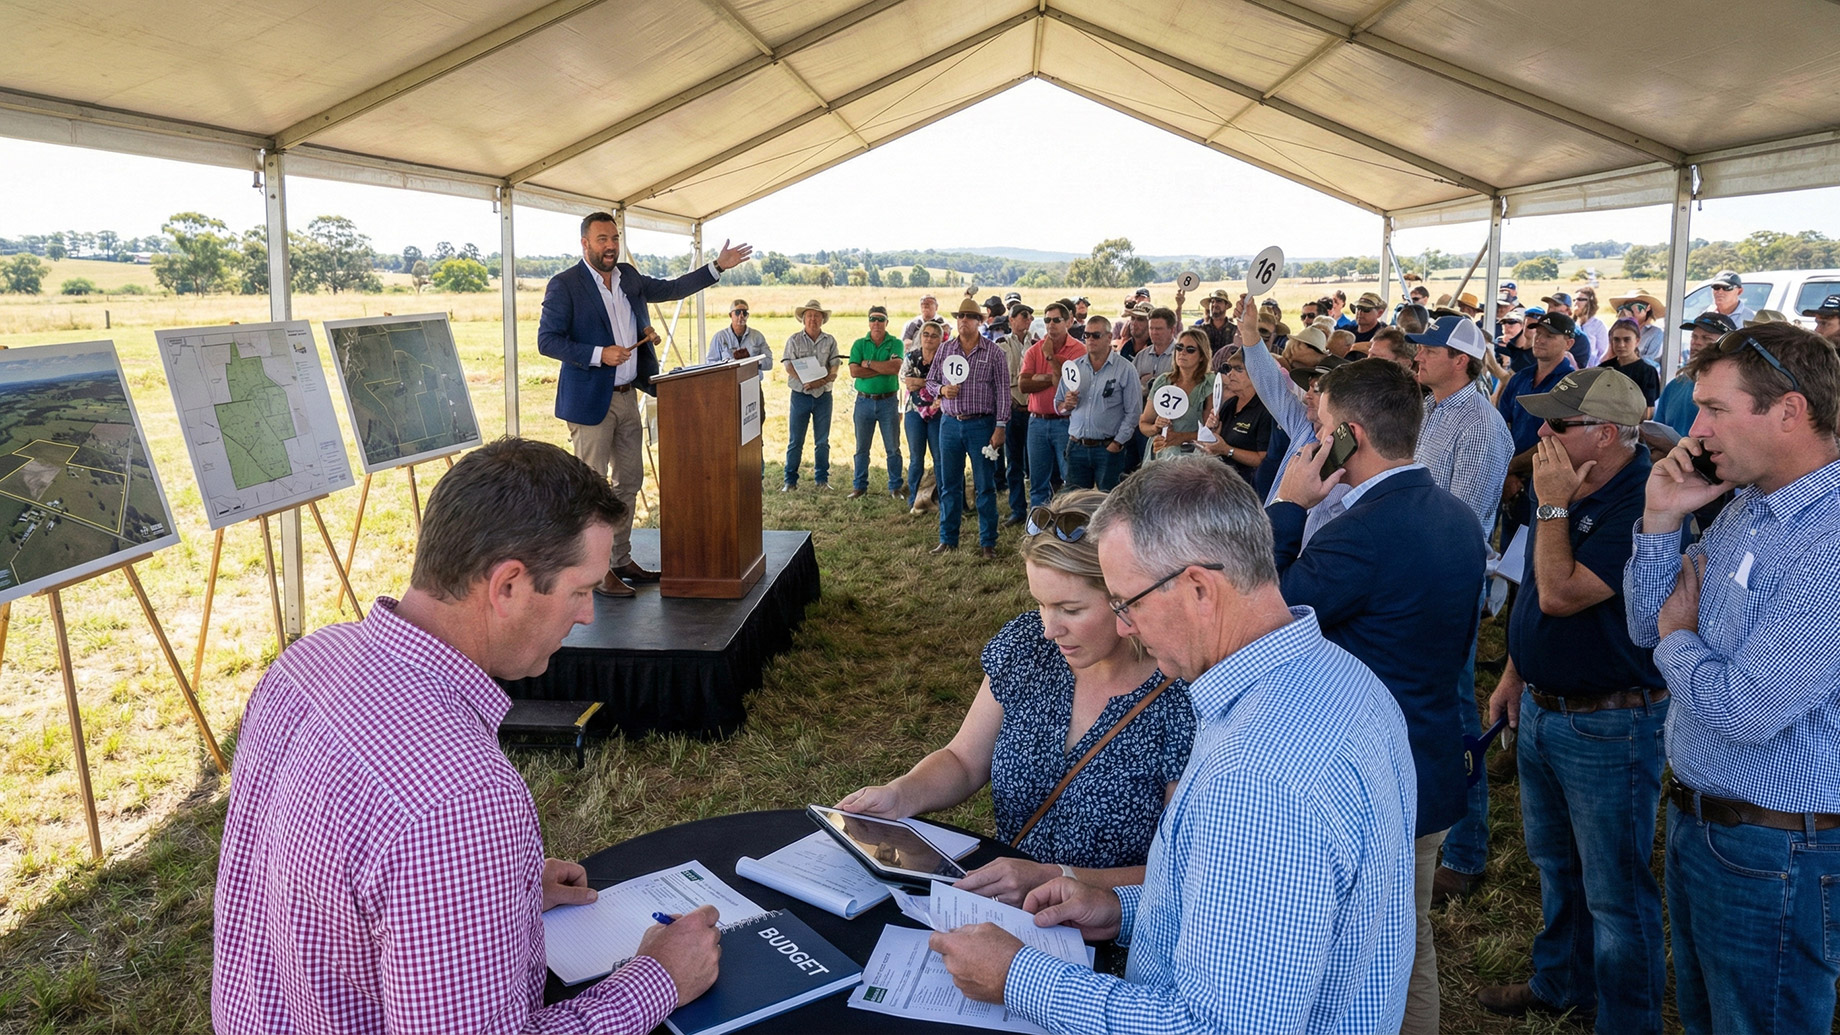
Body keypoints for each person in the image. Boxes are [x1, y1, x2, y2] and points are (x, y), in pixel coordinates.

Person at [213, 438, 723, 1034]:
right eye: (580, 590)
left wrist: (480, 902)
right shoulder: (461, 799)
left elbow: (324, 894)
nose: (587, 614)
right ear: (507, 586)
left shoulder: (307, 663)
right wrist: (657, 980)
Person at [927, 456, 1418, 1033]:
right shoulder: (1343, 679)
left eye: (1126, 604)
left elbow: (1216, 1026)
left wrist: (1017, 977)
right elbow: (1243, 914)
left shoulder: (1258, 781)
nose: (1126, 628)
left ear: (1199, 589)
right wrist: (1119, 908)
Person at [1625, 323, 1840, 1035]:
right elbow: (1644, 627)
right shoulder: (1750, 504)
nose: (1697, 428)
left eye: (1716, 408)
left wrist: (1678, 642)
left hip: (1777, 850)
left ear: (1790, 410)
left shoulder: (1829, 538)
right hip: (1711, 826)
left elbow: (1747, 706)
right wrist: (1660, 520)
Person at [1266, 359, 1486, 1035]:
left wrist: (1288, 506)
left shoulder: (1361, 532)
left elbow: (1266, 613)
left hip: (1374, 775)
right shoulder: (1453, 513)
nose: (1312, 436)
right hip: (1429, 753)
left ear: (1350, 434)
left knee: (1381, 953)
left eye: (1321, 423)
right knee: (1406, 941)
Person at [838, 491, 1194, 905]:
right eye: (1040, 604)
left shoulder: (1181, 695)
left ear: (1125, 596)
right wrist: (901, 794)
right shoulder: (1026, 647)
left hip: (1109, 933)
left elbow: (1182, 871)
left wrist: (1058, 878)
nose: (1049, 628)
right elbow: (964, 760)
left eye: (1070, 609)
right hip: (1004, 910)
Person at [1476, 367, 1667, 1032]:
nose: (1541, 435)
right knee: (1556, 866)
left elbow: (1560, 591)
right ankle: (1562, 982)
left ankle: (1626, 1018)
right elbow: (1532, 591)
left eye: (1558, 424)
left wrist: (1553, 504)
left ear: (1605, 433)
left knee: (1616, 891)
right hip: (1547, 707)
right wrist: (1514, 671)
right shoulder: (1564, 485)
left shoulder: (1646, 502)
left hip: (1609, 720)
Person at [537, 212, 750, 598]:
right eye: (602, 239)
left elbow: (671, 288)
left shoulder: (629, 278)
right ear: (584, 244)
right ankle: (594, 572)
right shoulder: (564, 285)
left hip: (628, 396)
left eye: (614, 238)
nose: (610, 246)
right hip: (590, 405)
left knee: (629, 482)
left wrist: (717, 267)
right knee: (592, 491)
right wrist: (600, 354)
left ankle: (619, 559)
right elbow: (547, 341)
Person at [1406, 315, 1514, 905]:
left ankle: (1467, 853)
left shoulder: (1480, 425)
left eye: (1431, 349)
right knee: (1434, 706)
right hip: (1420, 577)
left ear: (1462, 361)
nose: (1418, 356)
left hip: (1445, 583)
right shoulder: (1434, 412)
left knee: (1452, 712)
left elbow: (1465, 520)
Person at [928, 297, 1008, 559]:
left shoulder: (994, 352)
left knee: (984, 485)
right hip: (950, 424)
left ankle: (988, 542)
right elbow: (930, 381)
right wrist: (941, 390)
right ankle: (947, 539)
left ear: (979, 321)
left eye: (969, 316)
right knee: (949, 484)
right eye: (960, 316)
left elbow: (1003, 393)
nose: (963, 320)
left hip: (981, 425)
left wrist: (1000, 427)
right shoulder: (945, 349)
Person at [1055, 316, 1141, 491]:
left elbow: (1133, 412)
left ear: (1109, 337)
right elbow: (1058, 405)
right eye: (1086, 335)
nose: (1090, 340)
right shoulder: (1074, 367)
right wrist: (1066, 405)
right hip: (1076, 445)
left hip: (1107, 448)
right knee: (1075, 504)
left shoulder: (1125, 369)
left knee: (1108, 503)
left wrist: (1117, 443)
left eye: (1096, 335)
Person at [1020, 301, 1085, 507]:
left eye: (1056, 320)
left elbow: (1064, 385)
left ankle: (1068, 529)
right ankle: (1036, 531)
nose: (1050, 325)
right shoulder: (1033, 350)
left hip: (1065, 423)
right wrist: (1050, 378)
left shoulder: (1078, 350)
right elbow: (1023, 385)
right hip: (1037, 422)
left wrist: (1049, 358)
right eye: (1047, 320)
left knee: (1070, 481)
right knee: (1037, 483)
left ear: (1068, 322)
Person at [781, 298, 841, 491]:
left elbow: (835, 365)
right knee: (795, 440)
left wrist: (821, 382)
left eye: (816, 316)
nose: (813, 319)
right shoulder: (794, 340)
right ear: (803, 319)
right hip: (800, 394)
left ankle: (822, 480)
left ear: (822, 319)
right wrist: (805, 380)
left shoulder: (830, 340)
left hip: (824, 395)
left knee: (822, 441)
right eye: (809, 316)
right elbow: (788, 365)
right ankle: (790, 481)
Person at [848, 305, 905, 500]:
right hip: (863, 401)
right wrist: (883, 368)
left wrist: (869, 364)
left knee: (893, 447)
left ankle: (896, 487)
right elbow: (854, 371)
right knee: (861, 448)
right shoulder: (859, 344)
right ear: (868, 322)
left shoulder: (895, 343)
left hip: (888, 401)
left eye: (881, 319)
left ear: (887, 322)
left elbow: (897, 367)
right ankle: (859, 486)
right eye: (873, 319)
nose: (876, 323)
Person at [1137, 327, 1214, 458]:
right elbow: (1143, 424)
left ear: (1202, 356)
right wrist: (1155, 428)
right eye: (1179, 347)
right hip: (1160, 454)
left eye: (1190, 350)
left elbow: (1212, 432)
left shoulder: (1208, 384)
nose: (1182, 352)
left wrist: (1181, 437)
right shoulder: (1163, 381)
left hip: (1192, 458)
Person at [1655, 313, 1736, 437]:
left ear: (1727, 345)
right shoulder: (1675, 385)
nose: (1696, 342)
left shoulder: (1732, 390)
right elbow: (1657, 431)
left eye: (1706, 338)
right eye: (1694, 337)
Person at [1198, 349, 1272, 483]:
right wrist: (1211, 433)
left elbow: (1262, 459)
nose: (1230, 374)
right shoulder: (1231, 404)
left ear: (1256, 375)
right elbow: (1217, 444)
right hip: (1222, 479)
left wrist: (1227, 450)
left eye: (1239, 369)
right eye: (1229, 368)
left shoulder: (1265, 410)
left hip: (1248, 485)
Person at [998, 301, 1038, 524]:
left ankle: (1037, 508)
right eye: (1022, 315)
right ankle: (1017, 510)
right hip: (1013, 409)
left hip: (1033, 410)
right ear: (1011, 320)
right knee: (1013, 462)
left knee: (1036, 464)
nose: (1027, 319)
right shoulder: (1001, 344)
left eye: (1030, 315)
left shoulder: (1039, 345)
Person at [902, 320, 945, 515]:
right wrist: (931, 384)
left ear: (940, 339)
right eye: (925, 334)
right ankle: (914, 500)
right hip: (914, 412)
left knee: (940, 458)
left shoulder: (946, 360)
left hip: (939, 412)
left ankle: (942, 500)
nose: (929, 338)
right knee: (916, 458)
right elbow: (907, 382)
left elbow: (946, 385)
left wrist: (920, 382)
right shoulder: (912, 356)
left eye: (933, 335)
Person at [1600, 317, 1660, 417]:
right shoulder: (1604, 368)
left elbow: (1648, 412)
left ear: (1637, 341)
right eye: (1616, 340)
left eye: (1627, 340)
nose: (1621, 345)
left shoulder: (1648, 372)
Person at [704, 297, 772, 372]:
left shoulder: (757, 336)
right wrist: (728, 364)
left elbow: (769, 362)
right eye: (737, 312)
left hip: (752, 380)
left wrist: (754, 362)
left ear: (748, 316)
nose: (741, 316)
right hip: (728, 380)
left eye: (744, 312)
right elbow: (710, 363)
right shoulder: (720, 337)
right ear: (730, 315)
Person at [1610, 293, 1667, 366]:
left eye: (1636, 306)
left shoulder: (1655, 332)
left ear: (1647, 308)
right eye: (1627, 307)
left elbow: (1649, 360)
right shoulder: (1618, 330)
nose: (1631, 311)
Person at [1193, 288, 1237, 353]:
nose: (1214, 304)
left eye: (1219, 301)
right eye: (1212, 301)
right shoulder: (1200, 330)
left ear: (1226, 305)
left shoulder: (1235, 331)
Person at [1573, 287, 1609, 366]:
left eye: (1580, 299)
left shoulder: (1598, 325)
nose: (1576, 302)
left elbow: (1603, 352)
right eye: (1574, 300)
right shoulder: (1573, 325)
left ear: (1589, 302)